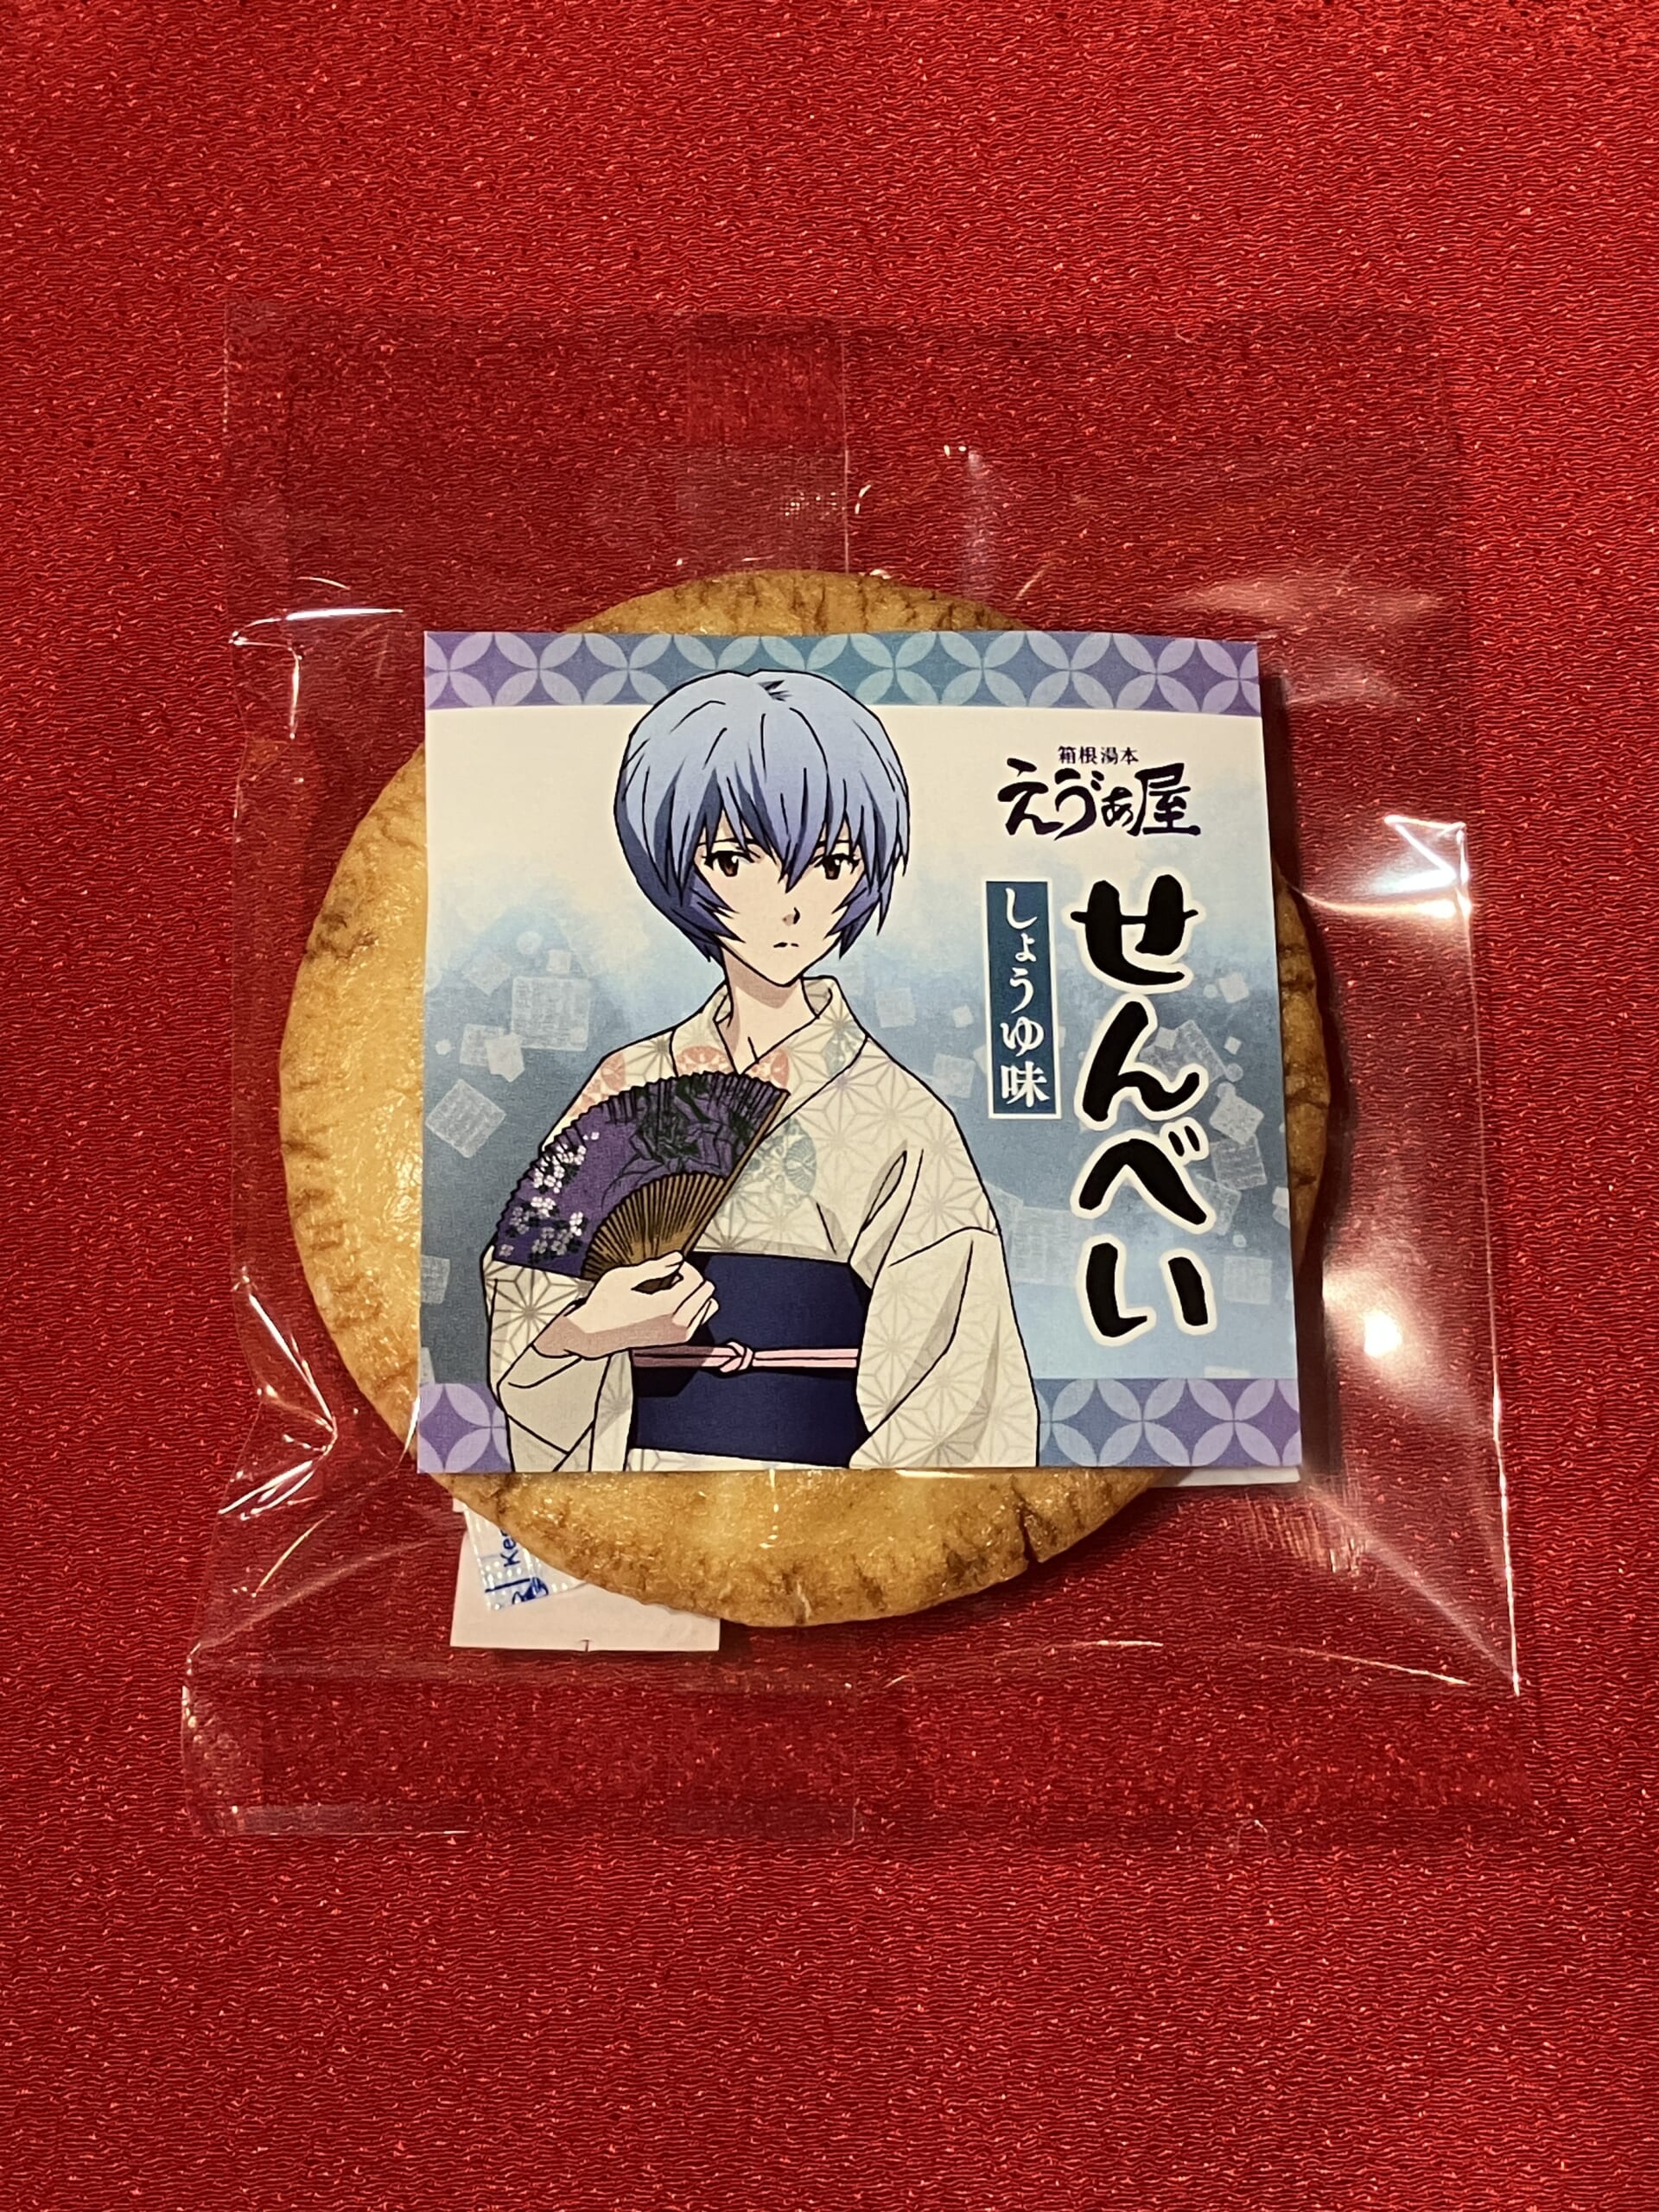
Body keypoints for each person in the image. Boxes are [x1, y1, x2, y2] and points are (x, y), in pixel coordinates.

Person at [483, 667, 1037, 1474]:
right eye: (736, 858)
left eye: (833, 862)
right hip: (635, 1481)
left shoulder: (903, 1118)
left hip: (826, 1491)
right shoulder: (630, 1083)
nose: (791, 902)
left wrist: (855, 1525)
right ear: (677, 866)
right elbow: (527, 1287)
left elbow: (957, 1388)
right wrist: (579, 1334)